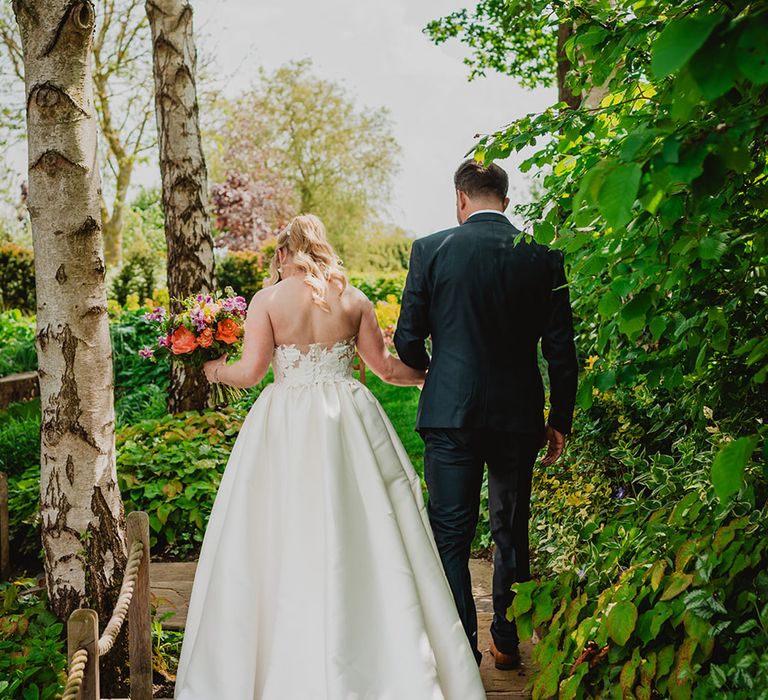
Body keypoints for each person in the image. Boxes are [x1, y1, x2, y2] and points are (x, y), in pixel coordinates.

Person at [173, 214, 485, 699]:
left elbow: (253, 372)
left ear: (282, 255)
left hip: (286, 424)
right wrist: (430, 375)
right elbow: (383, 368)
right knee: (363, 521)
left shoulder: (267, 301)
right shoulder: (354, 298)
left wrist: (214, 371)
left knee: (276, 528)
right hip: (349, 420)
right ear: (322, 250)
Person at [394, 159, 578, 669]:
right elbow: (562, 351)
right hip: (519, 417)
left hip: (450, 415)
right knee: (510, 529)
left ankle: (460, 650)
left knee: (450, 534)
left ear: (460, 198)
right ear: (506, 199)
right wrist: (559, 418)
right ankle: (506, 640)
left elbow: (407, 341)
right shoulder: (543, 256)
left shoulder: (429, 250)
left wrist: (435, 368)